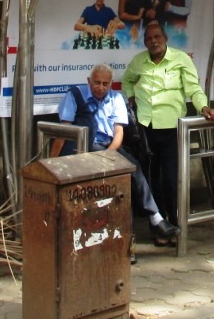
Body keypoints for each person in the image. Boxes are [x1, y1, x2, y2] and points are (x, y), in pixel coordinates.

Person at [51, 65, 180, 249]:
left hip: (108, 147)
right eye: (97, 82)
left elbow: (118, 132)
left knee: (133, 168)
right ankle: (152, 222)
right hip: (83, 148)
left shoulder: (116, 98)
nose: (100, 87)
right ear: (89, 81)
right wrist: (52, 163)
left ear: (111, 84)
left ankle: (154, 219)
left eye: (105, 83)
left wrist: (108, 155)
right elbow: (62, 131)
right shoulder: (75, 94)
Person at [122, 22, 214, 236]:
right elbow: (127, 81)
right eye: (149, 39)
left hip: (173, 129)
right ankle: (158, 228)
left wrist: (203, 106)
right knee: (151, 178)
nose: (153, 41)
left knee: (172, 180)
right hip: (146, 129)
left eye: (157, 37)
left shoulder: (181, 59)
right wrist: (130, 96)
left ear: (165, 39)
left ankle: (177, 224)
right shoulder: (139, 62)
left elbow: (193, 88)